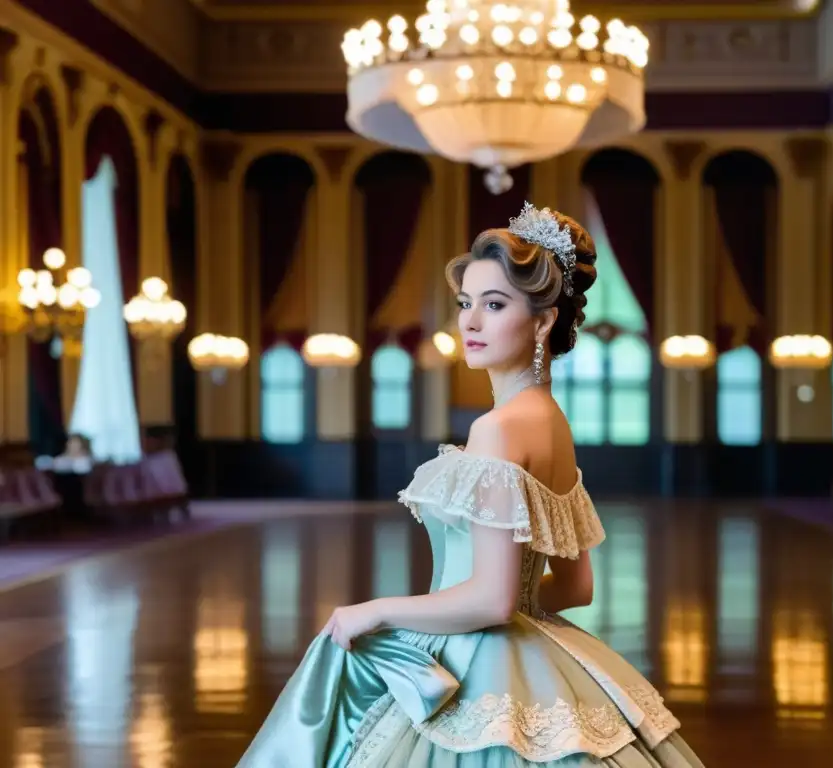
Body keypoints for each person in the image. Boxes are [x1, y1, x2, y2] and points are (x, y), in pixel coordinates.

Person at [237, 203, 704, 767]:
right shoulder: (552, 423)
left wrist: (379, 610)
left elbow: (493, 598)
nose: (470, 322)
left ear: (544, 320)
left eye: (495, 304)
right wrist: (479, 610)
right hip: (536, 658)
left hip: (485, 674)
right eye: (465, 303)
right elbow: (575, 587)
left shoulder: (499, 430)